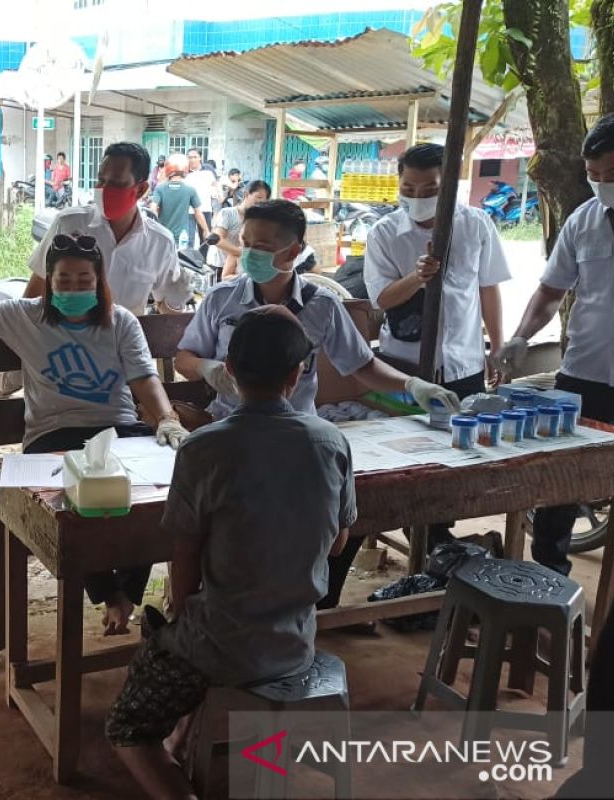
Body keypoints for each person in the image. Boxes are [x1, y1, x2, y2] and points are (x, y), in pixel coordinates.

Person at [106, 306, 355, 799]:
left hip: (218, 645)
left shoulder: (204, 449)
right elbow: (339, 542)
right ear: (296, 374)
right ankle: (189, 744)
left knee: (127, 729)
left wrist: (181, 612)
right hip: (292, 642)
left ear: (230, 372)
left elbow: (185, 554)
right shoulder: (331, 442)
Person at [174, 199, 459, 608]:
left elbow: (362, 366)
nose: (251, 252)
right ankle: (227, 600)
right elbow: (184, 358)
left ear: (293, 252)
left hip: (297, 436)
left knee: (354, 503)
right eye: (247, 242)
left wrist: (413, 386)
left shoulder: (321, 306)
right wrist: (209, 370)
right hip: (230, 432)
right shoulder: (222, 300)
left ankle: (317, 601)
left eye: (264, 245)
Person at [0, 234, 188, 635]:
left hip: (118, 430)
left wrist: (166, 418)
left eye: (83, 280)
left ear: (98, 281)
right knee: (72, 505)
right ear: (49, 281)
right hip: (53, 434)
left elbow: (144, 378)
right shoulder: (24, 316)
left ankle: (125, 592)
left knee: (148, 498)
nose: (73, 288)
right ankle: (112, 594)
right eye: (63, 281)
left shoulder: (120, 321)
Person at [365, 143, 510, 550]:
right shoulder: (385, 233)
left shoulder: (476, 224)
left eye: (429, 189)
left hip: (463, 364)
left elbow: (487, 289)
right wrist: (417, 277)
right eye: (409, 188)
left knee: (455, 457)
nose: (417, 197)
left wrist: (496, 347)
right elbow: (381, 299)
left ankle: (439, 542)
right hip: (406, 367)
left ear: (450, 185)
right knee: (409, 463)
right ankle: (435, 545)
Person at [495, 113, 614, 576]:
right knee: (561, 478)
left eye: (612, 174)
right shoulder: (583, 222)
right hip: (583, 370)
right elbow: (550, 291)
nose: (603, 184)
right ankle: (547, 574)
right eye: (595, 176)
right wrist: (521, 336)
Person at [26, 142, 190, 315]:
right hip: (69, 340)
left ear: (141, 189)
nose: (104, 189)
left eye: (116, 183)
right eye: (101, 180)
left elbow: (167, 312)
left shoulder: (159, 243)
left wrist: (176, 301)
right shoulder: (68, 224)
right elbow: (33, 295)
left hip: (125, 340)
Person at [208, 179, 271, 279]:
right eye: (258, 197)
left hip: (238, 268)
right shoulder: (227, 213)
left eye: (264, 201)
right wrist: (244, 254)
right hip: (219, 264)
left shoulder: (257, 220)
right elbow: (218, 240)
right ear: (246, 194)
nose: (260, 203)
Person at [151, 154, 210, 247]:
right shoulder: (190, 190)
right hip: (182, 238)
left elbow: (152, 210)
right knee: (180, 260)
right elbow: (198, 213)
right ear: (185, 170)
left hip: (162, 235)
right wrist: (206, 230)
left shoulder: (160, 188)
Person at [183, 149, 218, 248]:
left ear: (200, 158)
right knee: (189, 239)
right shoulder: (184, 173)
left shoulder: (208, 172)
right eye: (190, 157)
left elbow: (215, 188)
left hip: (205, 208)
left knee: (205, 238)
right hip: (189, 210)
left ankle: (203, 260)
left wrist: (216, 210)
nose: (192, 159)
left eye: (195, 157)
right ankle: (188, 261)